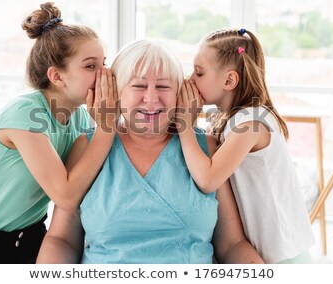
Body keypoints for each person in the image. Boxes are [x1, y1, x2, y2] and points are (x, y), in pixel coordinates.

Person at [36, 39, 263, 264]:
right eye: (138, 86)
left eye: (164, 86)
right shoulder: (87, 145)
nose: (152, 98)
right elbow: (62, 239)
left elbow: (232, 244)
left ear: (179, 93)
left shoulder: (208, 149)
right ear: (116, 92)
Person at [0, 2, 118, 263]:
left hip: (30, 239)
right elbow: (65, 196)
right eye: (91, 66)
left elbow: (85, 178)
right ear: (57, 76)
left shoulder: (80, 118)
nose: (104, 75)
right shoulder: (24, 113)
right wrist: (105, 127)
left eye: (104, 63)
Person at [176, 28, 315, 263]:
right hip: (263, 254)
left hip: (284, 258)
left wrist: (184, 124)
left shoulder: (252, 123)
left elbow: (208, 179)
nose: (190, 79)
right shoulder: (231, 120)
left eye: (199, 73)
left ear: (229, 80)